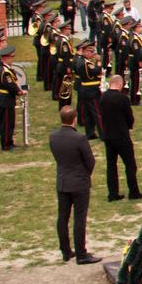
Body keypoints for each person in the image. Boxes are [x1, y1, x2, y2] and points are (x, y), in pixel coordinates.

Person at [50, 106, 99, 265]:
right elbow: (90, 161)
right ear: (74, 119)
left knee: (62, 217)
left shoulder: (53, 137)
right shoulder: (79, 138)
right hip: (79, 182)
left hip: (63, 181)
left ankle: (65, 250)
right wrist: (84, 174)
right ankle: (81, 253)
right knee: (79, 218)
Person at [100, 74, 142, 201]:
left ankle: (112, 193)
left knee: (111, 165)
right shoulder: (122, 98)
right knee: (130, 164)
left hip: (108, 135)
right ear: (120, 84)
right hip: (121, 135)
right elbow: (129, 116)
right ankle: (133, 191)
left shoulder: (103, 97)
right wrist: (129, 125)